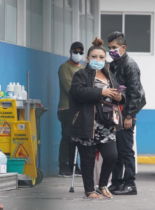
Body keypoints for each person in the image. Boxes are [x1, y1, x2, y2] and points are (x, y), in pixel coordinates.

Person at [69, 37, 126, 199]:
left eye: (101, 57)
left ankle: (102, 185)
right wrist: (101, 92)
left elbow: (121, 96)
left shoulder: (109, 75)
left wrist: (118, 97)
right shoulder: (80, 74)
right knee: (87, 160)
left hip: (107, 124)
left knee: (112, 155)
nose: (98, 60)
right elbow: (78, 93)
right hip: (87, 124)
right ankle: (89, 190)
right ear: (87, 59)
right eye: (94, 57)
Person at [107, 32, 146, 195]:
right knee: (116, 151)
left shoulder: (129, 65)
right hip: (115, 113)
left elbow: (136, 93)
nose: (111, 51)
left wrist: (129, 116)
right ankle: (116, 182)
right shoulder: (113, 64)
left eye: (114, 48)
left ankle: (130, 184)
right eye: (109, 48)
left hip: (126, 114)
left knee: (126, 150)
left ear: (123, 48)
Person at [57, 42, 85, 177]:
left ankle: (74, 166)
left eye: (81, 52)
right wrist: (85, 94)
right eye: (76, 52)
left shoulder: (84, 68)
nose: (78, 54)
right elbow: (70, 89)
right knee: (67, 138)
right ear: (70, 52)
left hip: (80, 108)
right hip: (67, 108)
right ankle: (63, 166)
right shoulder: (65, 68)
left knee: (76, 139)